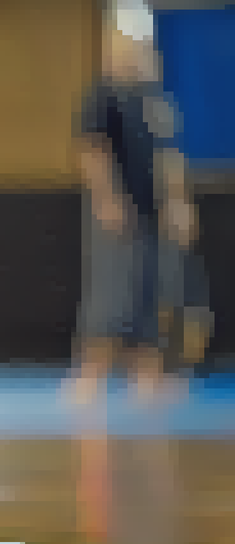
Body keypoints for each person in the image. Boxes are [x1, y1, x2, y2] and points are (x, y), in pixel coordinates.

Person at [68, 24, 200, 407]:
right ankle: (88, 377)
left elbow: (169, 158)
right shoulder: (102, 96)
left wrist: (179, 206)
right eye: (122, 48)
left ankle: (147, 374)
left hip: (152, 213)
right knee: (112, 292)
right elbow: (92, 150)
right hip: (117, 212)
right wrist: (108, 200)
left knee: (151, 291)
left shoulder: (153, 103)